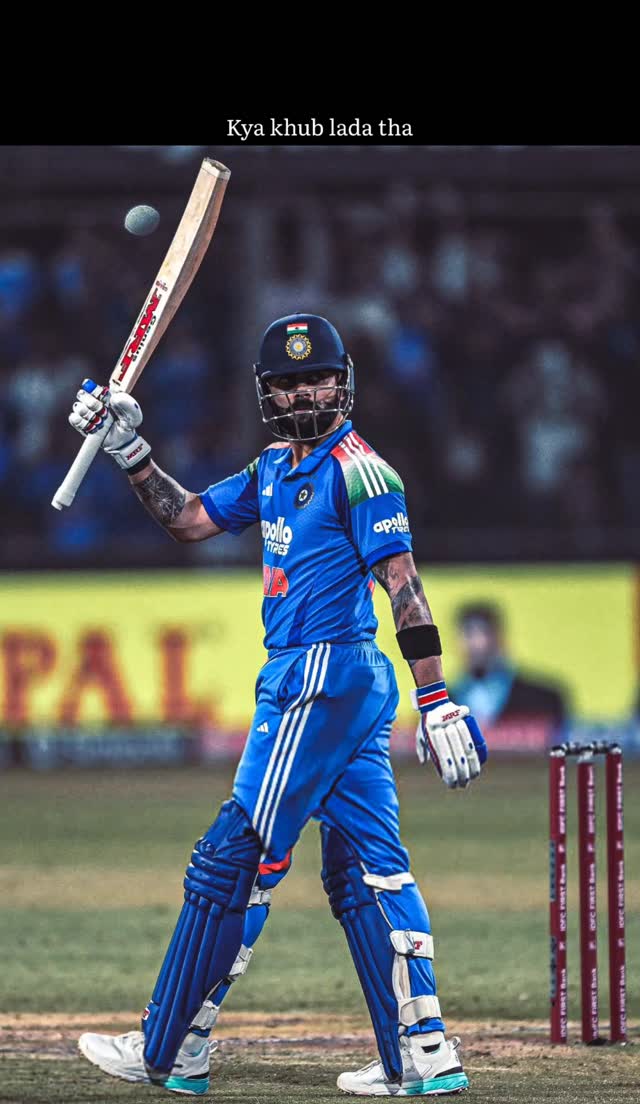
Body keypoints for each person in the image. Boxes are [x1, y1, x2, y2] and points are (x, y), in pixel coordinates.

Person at [71, 313, 488, 1097]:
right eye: (289, 383)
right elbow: (191, 518)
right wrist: (130, 450)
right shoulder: (270, 468)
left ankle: (169, 1051)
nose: (305, 394)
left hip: (320, 676)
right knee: (366, 869)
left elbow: (403, 584)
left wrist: (436, 698)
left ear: (344, 383)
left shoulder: (362, 473)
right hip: (337, 687)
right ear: (268, 393)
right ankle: (421, 1055)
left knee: (233, 855)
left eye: (318, 378)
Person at [450, 602, 567, 733]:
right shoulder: (443, 704)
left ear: (502, 639)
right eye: (469, 634)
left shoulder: (544, 699)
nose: (479, 643)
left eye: (486, 633)